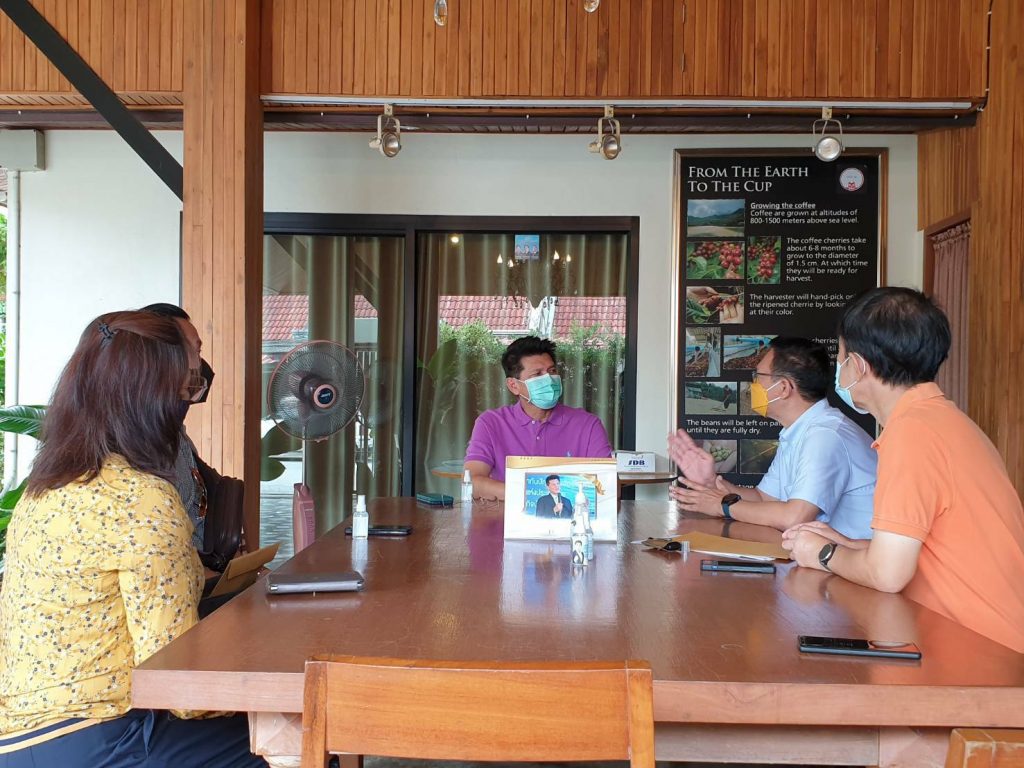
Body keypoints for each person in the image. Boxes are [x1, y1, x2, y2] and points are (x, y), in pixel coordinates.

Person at [0, 311, 267, 766]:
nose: (189, 403)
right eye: (187, 389)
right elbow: (179, 686)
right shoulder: (142, 498)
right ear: (154, 400)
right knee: (294, 737)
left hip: (19, 741)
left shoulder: (43, 491)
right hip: (100, 737)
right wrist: (265, 695)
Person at [783, 287, 1024, 653]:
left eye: (842, 357)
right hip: (990, 642)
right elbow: (924, 551)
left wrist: (822, 553)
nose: (840, 369)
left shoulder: (912, 434)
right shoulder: (942, 420)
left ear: (859, 366)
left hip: (980, 656)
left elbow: (887, 573)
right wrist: (848, 545)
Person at [670, 337, 877, 539]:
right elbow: (764, 498)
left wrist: (723, 505)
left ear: (783, 388)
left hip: (853, 559)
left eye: (757, 376)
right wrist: (711, 483)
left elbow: (795, 517)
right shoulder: (798, 431)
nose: (752, 385)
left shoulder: (825, 436)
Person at [464, 336, 612, 501]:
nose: (549, 380)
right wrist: (533, 496)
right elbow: (473, 482)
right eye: (537, 374)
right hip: (505, 517)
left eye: (552, 371)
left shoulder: (588, 425)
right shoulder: (491, 424)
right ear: (514, 385)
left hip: (570, 515)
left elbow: (610, 487)